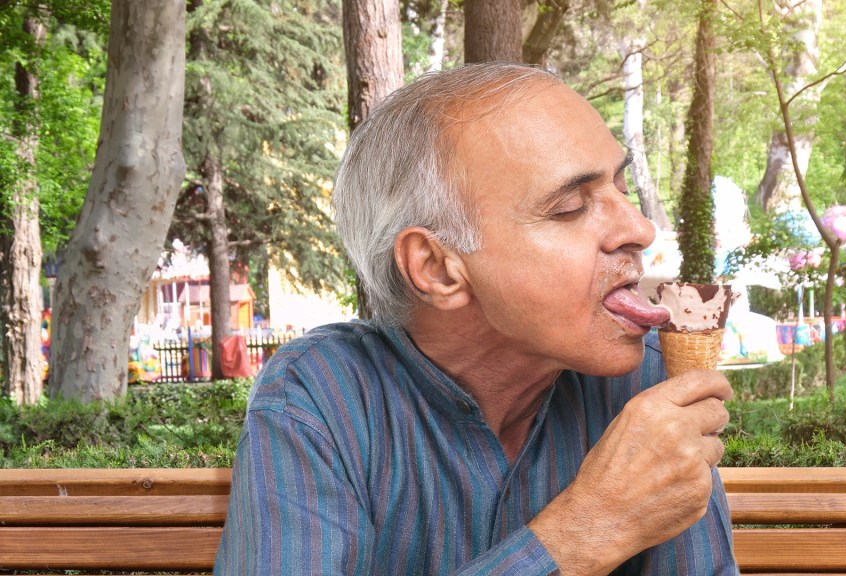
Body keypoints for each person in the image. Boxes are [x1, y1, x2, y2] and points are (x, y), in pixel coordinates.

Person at [214, 63, 737, 575]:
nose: (641, 229)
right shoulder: (320, 399)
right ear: (437, 268)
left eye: (620, 188)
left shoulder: (647, 384)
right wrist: (587, 530)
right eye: (570, 207)